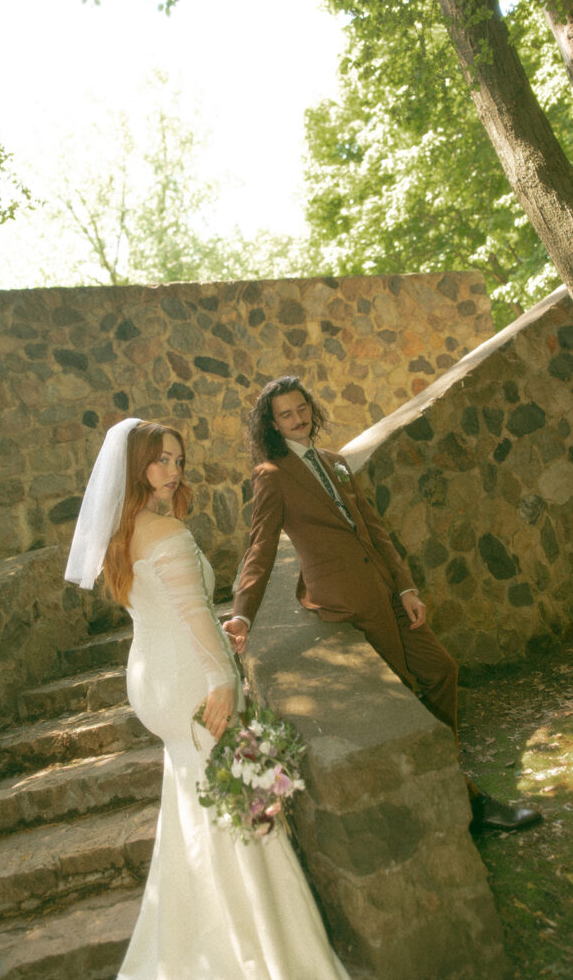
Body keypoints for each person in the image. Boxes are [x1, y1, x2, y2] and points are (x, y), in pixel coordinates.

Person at [65, 417, 350, 980]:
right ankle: (265, 949)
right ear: (136, 466)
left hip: (155, 679)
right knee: (234, 803)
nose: (173, 471)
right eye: (161, 460)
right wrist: (224, 677)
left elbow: (172, 611)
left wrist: (218, 638)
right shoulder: (166, 533)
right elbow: (194, 616)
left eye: (178, 460)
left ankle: (198, 938)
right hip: (193, 682)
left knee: (198, 805)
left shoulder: (126, 531)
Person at [223, 376, 542, 833]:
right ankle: (467, 801)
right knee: (409, 691)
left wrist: (407, 588)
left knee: (442, 671)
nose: (298, 418)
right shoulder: (272, 475)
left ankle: (452, 779)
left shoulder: (334, 462)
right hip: (348, 601)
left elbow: (375, 531)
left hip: (389, 595)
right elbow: (260, 548)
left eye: (301, 408)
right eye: (285, 414)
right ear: (271, 425)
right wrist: (241, 612)